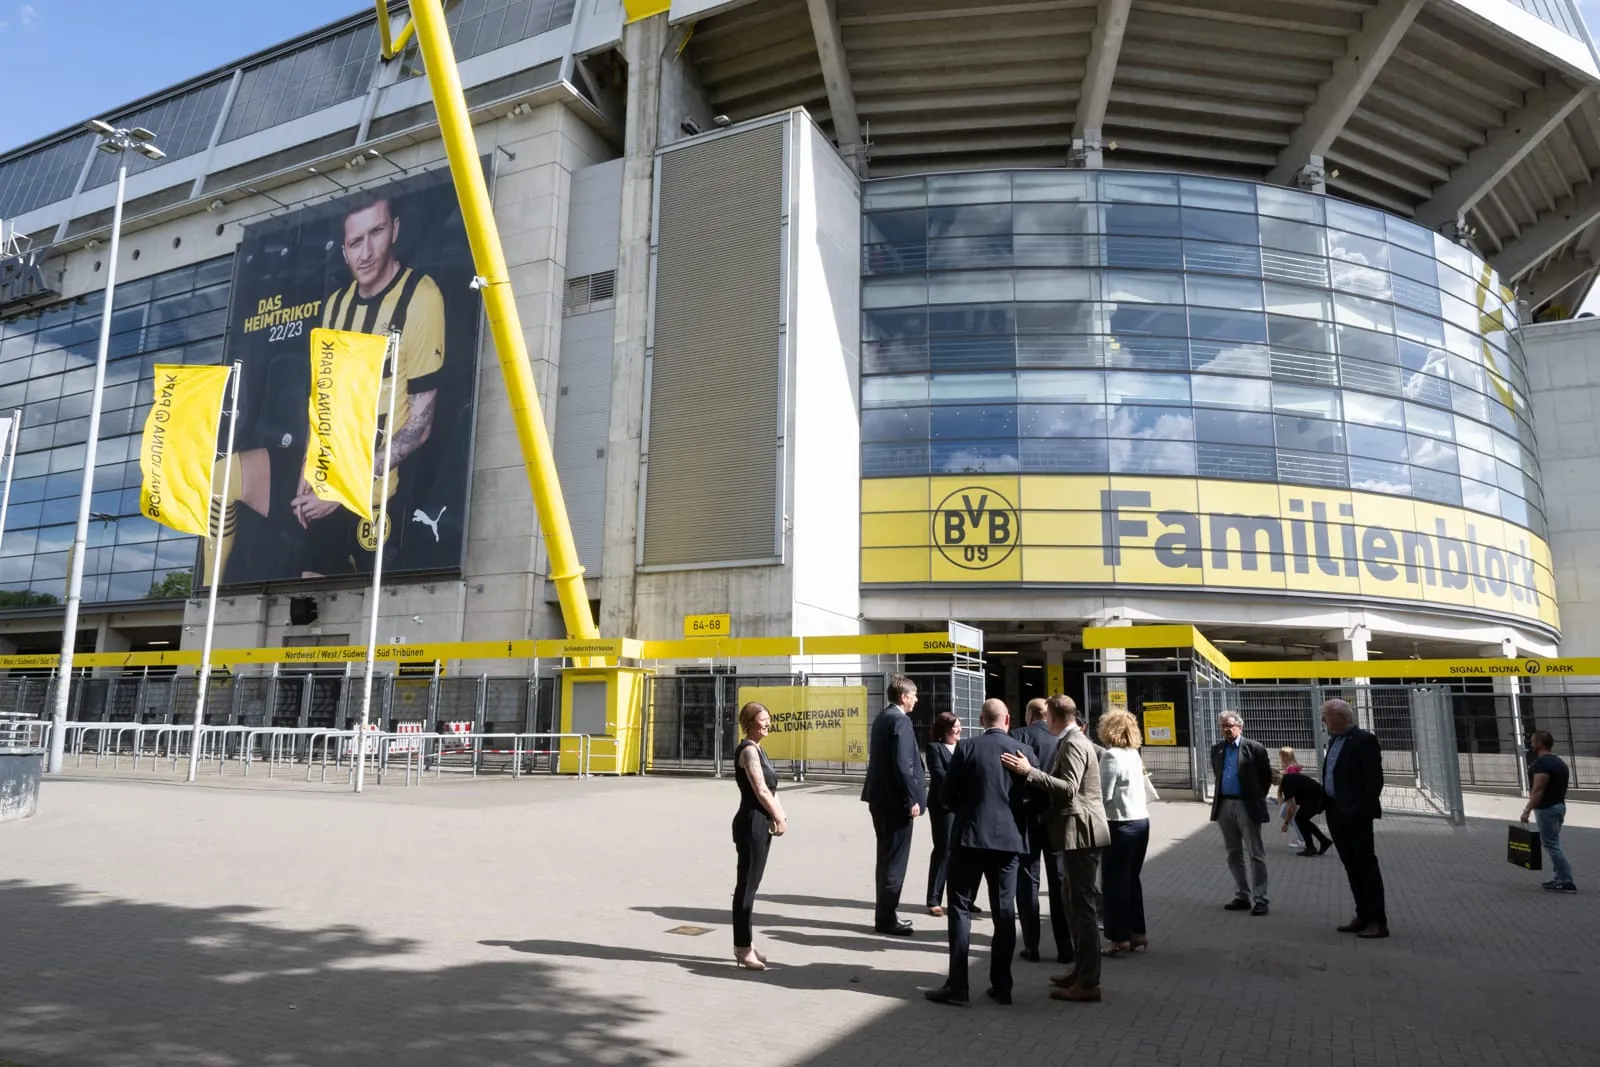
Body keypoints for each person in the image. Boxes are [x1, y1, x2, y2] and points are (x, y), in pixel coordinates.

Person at [206, 192, 447, 581]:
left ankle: (337, 562)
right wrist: (309, 463)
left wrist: (341, 486)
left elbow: (419, 425)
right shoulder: (337, 304)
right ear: (343, 250)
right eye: (355, 242)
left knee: (319, 594)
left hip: (372, 487)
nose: (366, 253)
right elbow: (325, 398)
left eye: (376, 233)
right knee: (223, 475)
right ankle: (207, 599)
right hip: (324, 468)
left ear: (395, 230)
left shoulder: (421, 297)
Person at [1001, 695, 1110, 1003]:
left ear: (1053, 716)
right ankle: (1080, 970)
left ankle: (1089, 981)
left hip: (1082, 833)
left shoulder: (1074, 743)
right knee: (1072, 903)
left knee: (1082, 908)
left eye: (1047, 716)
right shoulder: (1072, 740)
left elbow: (1069, 788)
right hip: (1075, 832)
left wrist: (1029, 772)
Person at [925, 699, 1031, 1007]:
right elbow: (1037, 798)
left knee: (959, 908)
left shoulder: (967, 748)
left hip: (970, 839)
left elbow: (947, 794)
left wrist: (968, 810)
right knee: (1004, 913)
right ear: (1007, 720)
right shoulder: (1023, 752)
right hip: (1008, 843)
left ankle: (958, 986)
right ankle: (1002, 985)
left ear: (982, 720)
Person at [862, 675, 927, 936]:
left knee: (886, 858)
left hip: (880, 798)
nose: (916, 699)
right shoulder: (900, 721)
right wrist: (911, 798)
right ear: (903, 696)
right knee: (895, 861)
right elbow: (903, 764)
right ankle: (887, 918)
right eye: (914, 695)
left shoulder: (883, 717)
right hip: (895, 802)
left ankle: (885, 914)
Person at [1321, 698, 1389, 938]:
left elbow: (1374, 781)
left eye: (1326, 714)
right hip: (1335, 812)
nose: (1323, 719)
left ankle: (1377, 921)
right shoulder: (1335, 740)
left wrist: (1358, 810)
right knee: (1351, 866)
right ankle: (1362, 915)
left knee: (1365, 866)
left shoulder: (1364, 740)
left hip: (1355, 815)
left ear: (1341, 717)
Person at [731, 701, 787, 970]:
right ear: (750, 722)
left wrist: (781, 814)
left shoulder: (759, 750)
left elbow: (772, 789)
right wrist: (778, 816)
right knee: (747, 886)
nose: (768, 724)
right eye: (763, 720)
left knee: (751, 884)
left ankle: (747, 944)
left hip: (761, 821)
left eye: (768, 719)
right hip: (751, 822)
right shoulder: (747, 751)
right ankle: (742, 948)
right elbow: (761, 789)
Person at [1016, 694, 1072, 964]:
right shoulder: (1062, 738)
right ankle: (1065, 947)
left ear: (1030, 715)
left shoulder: (1020, 736)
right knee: (1059, 881)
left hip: (1028, 818)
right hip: (1056, 818)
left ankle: (1032, 946)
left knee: (1028, 880)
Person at [1096, 709, 1151, 957]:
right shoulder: (1133, 754)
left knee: (1113, 882)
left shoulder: (1111, 756)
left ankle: (1118, 938)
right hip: (1141, 822)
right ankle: (1137, 932)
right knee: (1132, 879)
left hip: (1120, 824)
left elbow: (1104, 795)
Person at [1210, 711, 1274, 916]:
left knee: (1255, 853)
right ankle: (1242, 895)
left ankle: (1261, 898)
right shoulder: (1217, 749)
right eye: (1223, 726)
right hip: (1224, 806)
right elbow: (1218, 774)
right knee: (1233, 853)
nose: (1226, 729)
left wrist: (1255, 798)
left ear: (1240, 727)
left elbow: (1265, 778)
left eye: (1230, 725)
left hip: (1246, 805)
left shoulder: (1254, 748)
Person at [1521, 731, 1577, 893]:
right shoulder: (1559, 763)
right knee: (1553, 842)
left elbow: (1538, 790)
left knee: (1551, 844)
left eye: (1533, 741)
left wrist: (1527, 810)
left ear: (1540, 743)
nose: (1531, 744)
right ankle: (1559, 878)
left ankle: (1566, 880)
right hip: (1559, 806)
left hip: (1547, 809)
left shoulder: (1541, 764)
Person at [1278, 771, 1332, 857]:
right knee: (1302, 820)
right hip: (1317, 796)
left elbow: (1292, 807)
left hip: (1316, 798)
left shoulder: (1286, 784)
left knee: (1300, 819)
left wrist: (1286, 822)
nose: (1272, 785)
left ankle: (1311, 847)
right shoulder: (1287, 778)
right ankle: (1323, 841)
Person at [1278, 746, 1304, 850]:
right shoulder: (1290, 767)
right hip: (1292, 796)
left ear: (1290, 756)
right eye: (1282, 756)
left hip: (1293, 797)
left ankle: (1303, 839)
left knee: (1291, 817)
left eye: (1285, 756)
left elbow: (1292, 783)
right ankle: (1302, 837)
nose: (1283, 758)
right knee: (1285, 814)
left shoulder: (1291, 768)